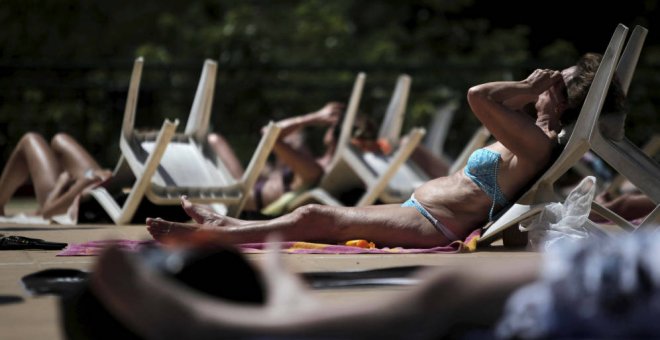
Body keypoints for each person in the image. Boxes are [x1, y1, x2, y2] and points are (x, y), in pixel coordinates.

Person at [146, 53, 626, 248]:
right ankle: (228, 224)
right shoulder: (533, 134)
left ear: (559, 98)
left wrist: (524, 85)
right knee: (320, 216)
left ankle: (211, 237)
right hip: (426, 211)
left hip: (434, 223)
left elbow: (479, 96)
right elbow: (490, 103)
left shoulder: (536, 140)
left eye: (555, 78)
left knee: (319, 215)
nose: (546, 75)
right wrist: (530, 94)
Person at [0, 132, 111, 218]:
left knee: (29, 139)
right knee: (60, 139)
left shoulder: (81, 187)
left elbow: (47, 212)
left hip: (60, 198)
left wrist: (62, 184)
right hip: (99, 187)